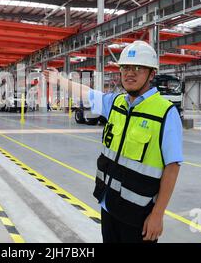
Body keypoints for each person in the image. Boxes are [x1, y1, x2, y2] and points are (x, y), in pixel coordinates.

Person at [43, 41, 183, 243]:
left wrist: (158, 215)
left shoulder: (165, 113)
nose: (130, 73)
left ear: (151, 74)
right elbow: (86, 93)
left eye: (138, 68)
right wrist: (59, 80)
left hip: (139, 217)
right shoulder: (116, 103)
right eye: (125, 67)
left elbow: (172, 166)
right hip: (109, 206)